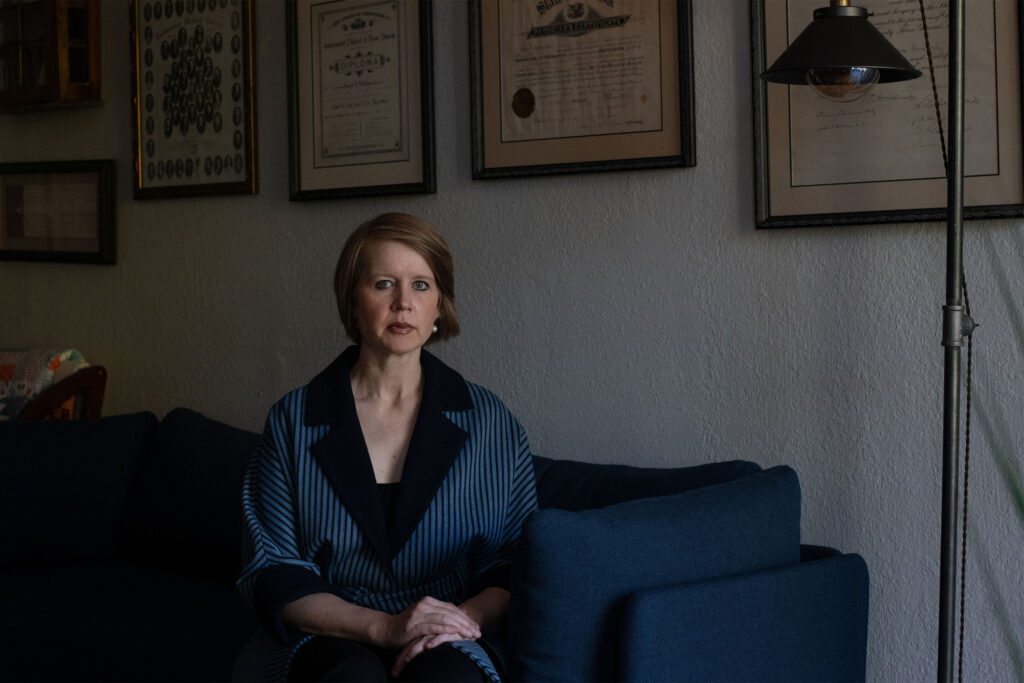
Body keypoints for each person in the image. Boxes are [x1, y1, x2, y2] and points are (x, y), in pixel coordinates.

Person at [235, 213, 538, 682]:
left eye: (421, 285)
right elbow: (272, 569)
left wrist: (454, 624)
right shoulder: (293, 420)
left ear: (440, 306)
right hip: (328, 633)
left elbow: (516, 564)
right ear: (352, 301)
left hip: (451, 631)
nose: (403, 303)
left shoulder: (490, 423)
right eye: (383, 284)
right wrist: (386, 627)